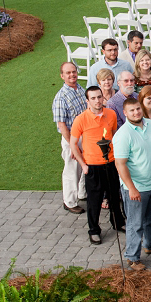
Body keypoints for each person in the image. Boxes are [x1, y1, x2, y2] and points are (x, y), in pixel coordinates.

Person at [113, 98, 151, 271]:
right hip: (136, 188)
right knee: (135, 223)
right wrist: (131, 188)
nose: (136, 113)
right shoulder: (122, 135)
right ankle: (132, 257)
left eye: (137, 109)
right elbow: (120, 164)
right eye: (132, 111)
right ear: (125, 113)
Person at [69, 85, 125, 243]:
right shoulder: (81, 119)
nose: (97, 100)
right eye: (93, 98)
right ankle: (94, 230)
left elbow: (113, 134)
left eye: (99, 97)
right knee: (94, 201)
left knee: (114, 197)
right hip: (92, 166)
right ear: (87, 101)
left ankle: (118, 223)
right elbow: (73, 144)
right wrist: (83, 165)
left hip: (111, 163)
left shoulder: (111, 114)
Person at [53, 62, 87, 214]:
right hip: (72, 138)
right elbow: (62, 126)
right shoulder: (61, 97)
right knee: (71, 170)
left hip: (84, 136)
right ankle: (69, 202)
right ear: (62, 76)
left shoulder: (80, 89)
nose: (72, 75)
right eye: (68, 73)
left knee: (82, 167)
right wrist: (73, 145)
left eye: (73, 72)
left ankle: (82, 193)